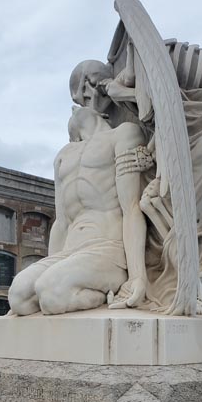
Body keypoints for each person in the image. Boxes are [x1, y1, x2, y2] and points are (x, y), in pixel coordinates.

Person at [8, 106, 149, 315]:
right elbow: (61, 222)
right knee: (18, 297)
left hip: (106, 250)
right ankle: (67, 291)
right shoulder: (63, 156)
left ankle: (99, 294)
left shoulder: (123, 134)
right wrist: (51, 266)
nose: (75, 108)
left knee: (52, 292)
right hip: (70, 253)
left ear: (103, 113)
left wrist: (137, 275)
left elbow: (131, 208)